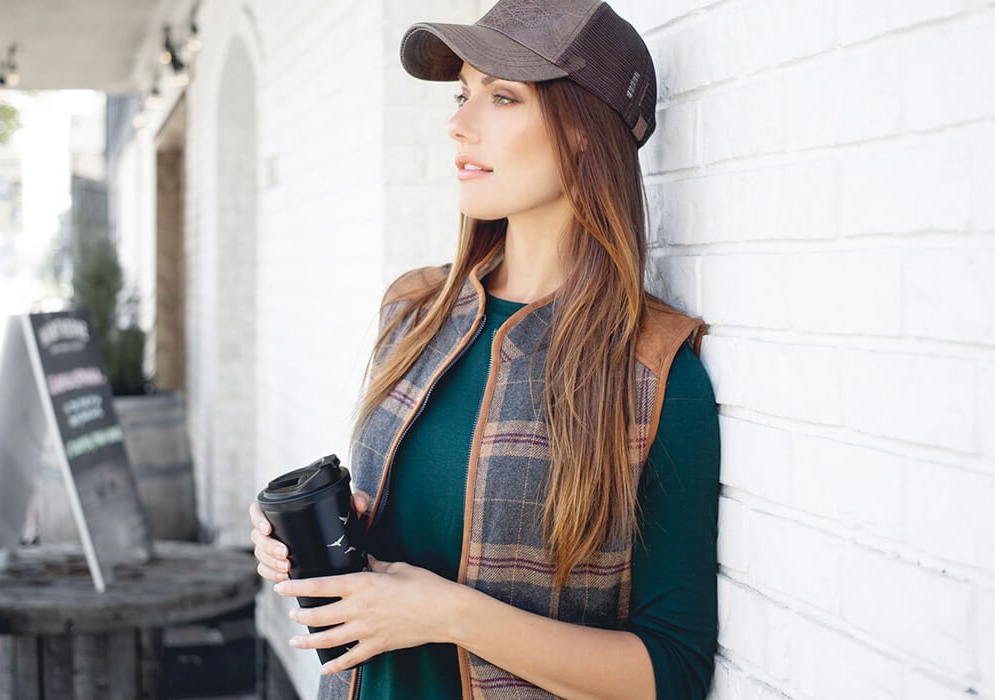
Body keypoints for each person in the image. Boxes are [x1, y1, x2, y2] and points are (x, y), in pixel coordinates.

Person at [248, 1, 719, 697]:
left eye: (502, 97)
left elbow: (673, 669)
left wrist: (448, 615)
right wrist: (311, 535)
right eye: (463, 93)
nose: (458, 124)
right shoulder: (414, 311)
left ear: (585, 132)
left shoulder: (654, 370)